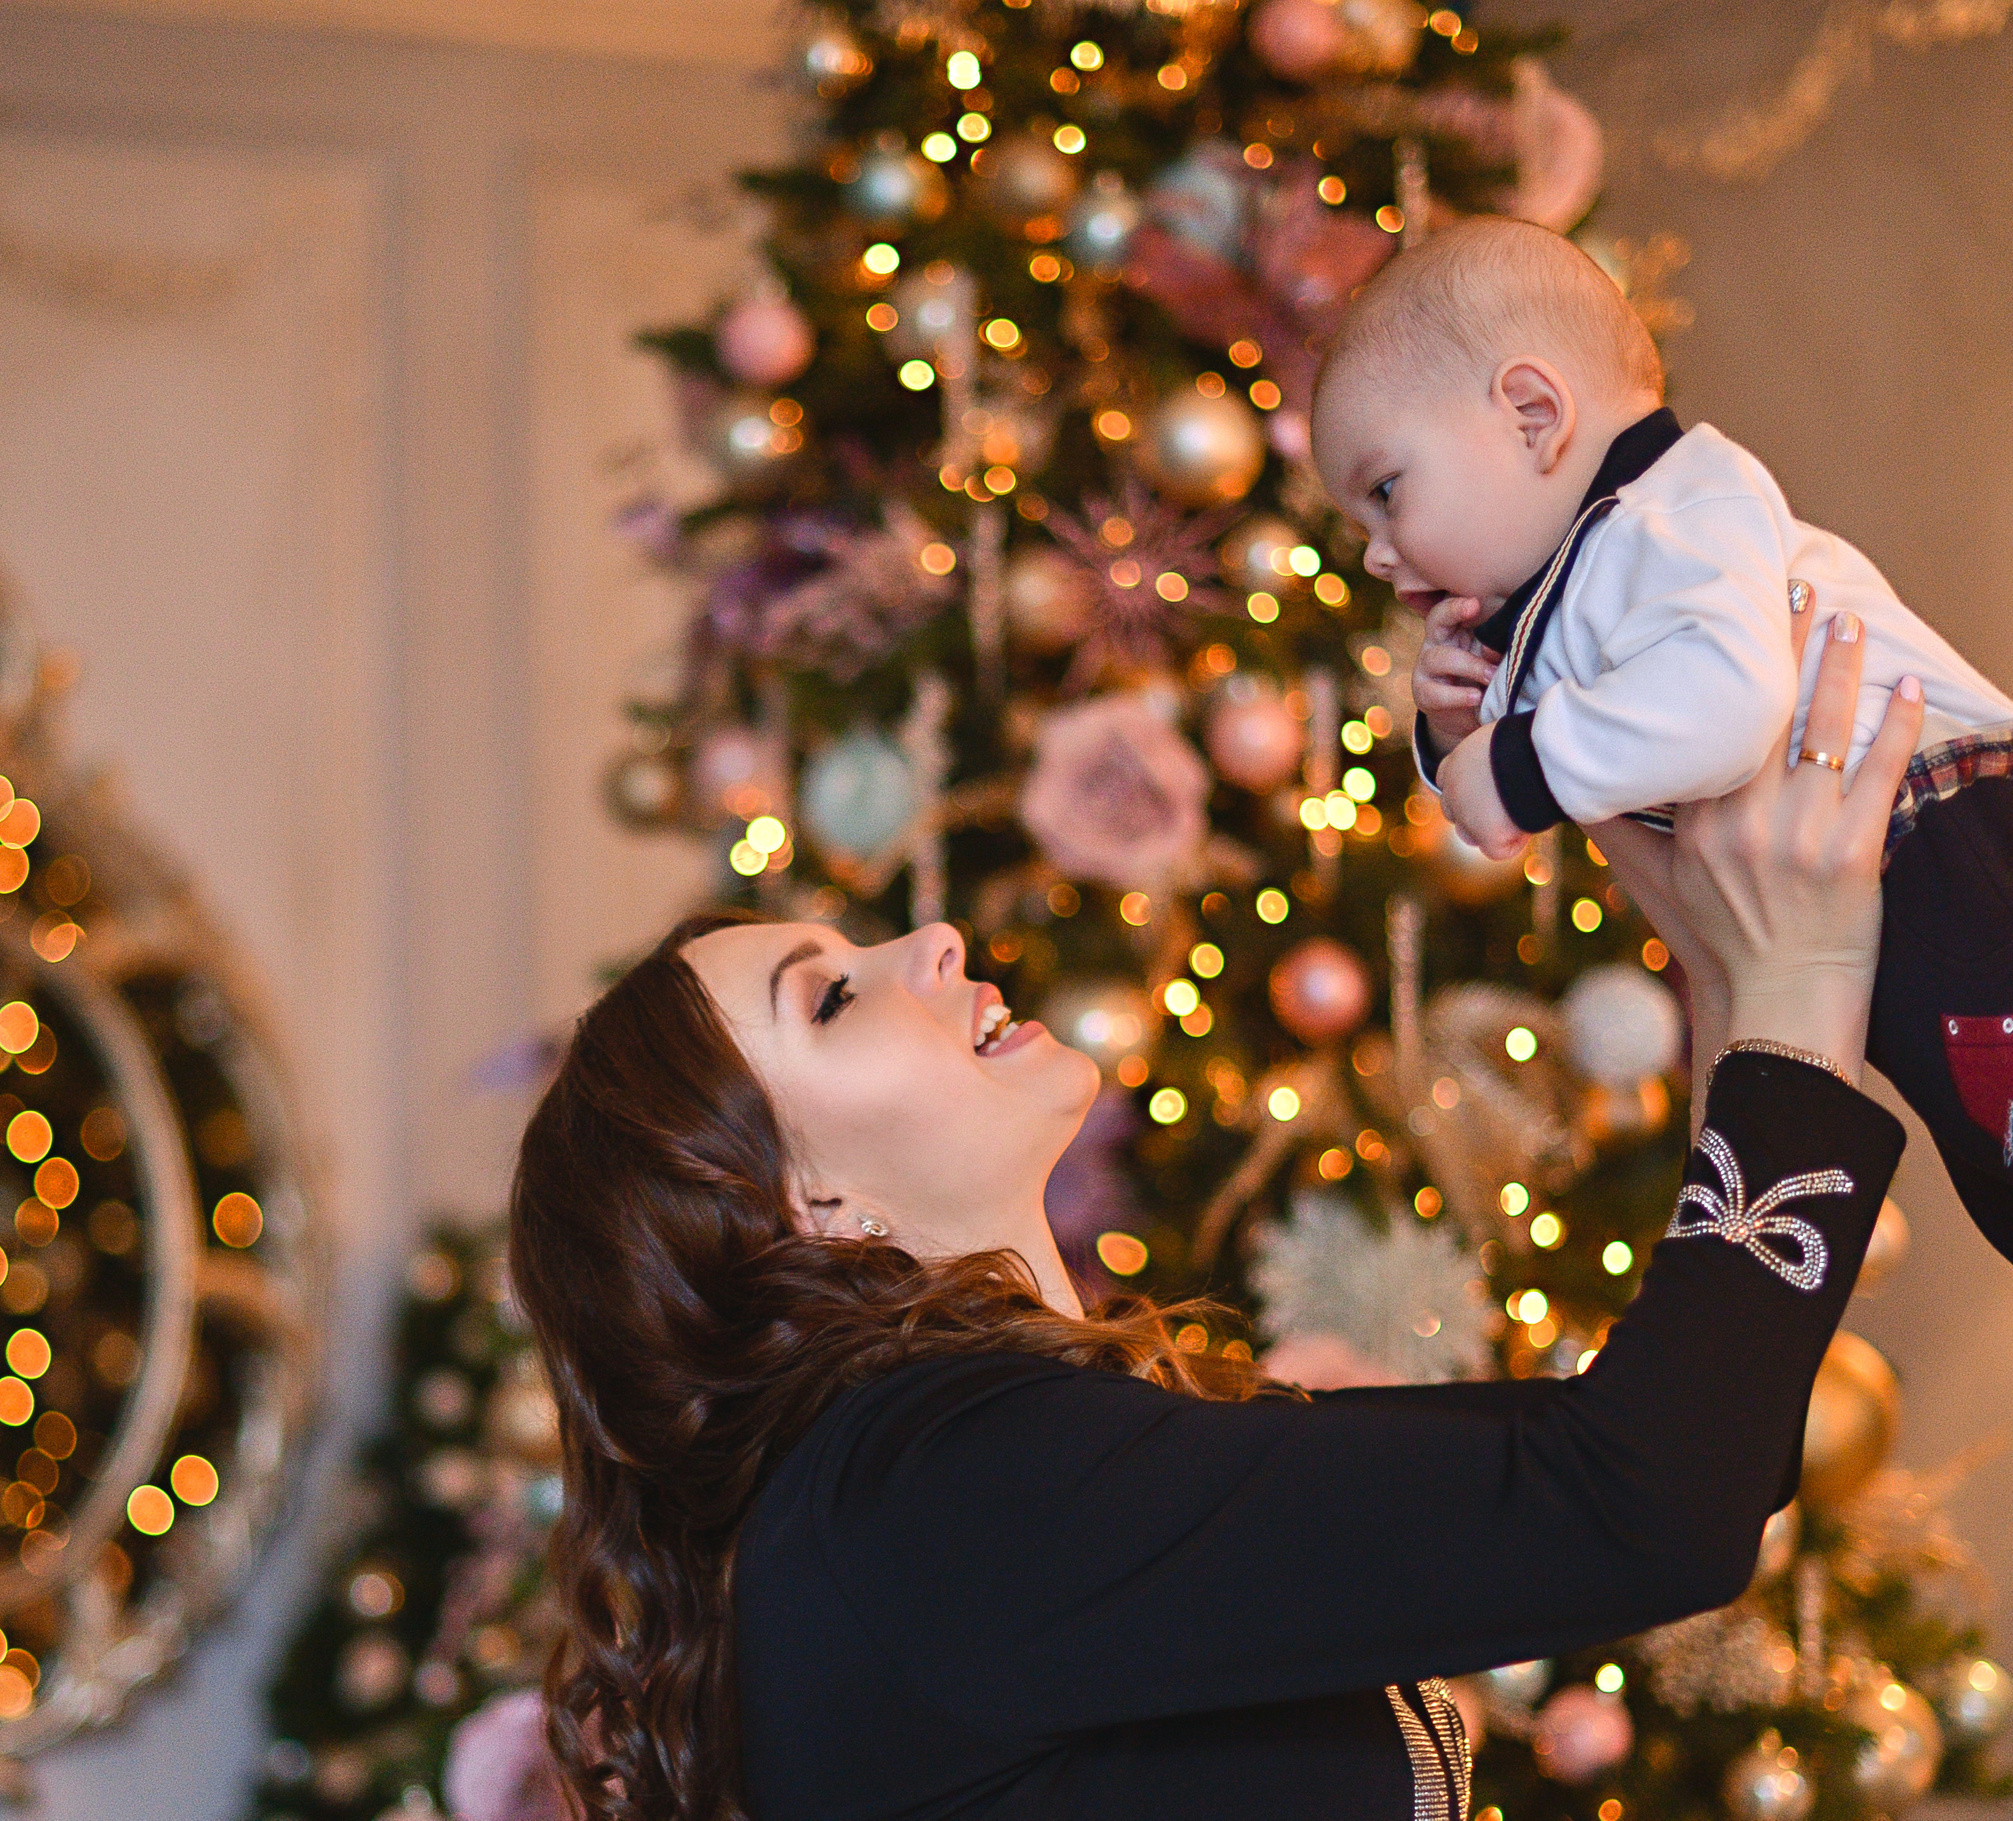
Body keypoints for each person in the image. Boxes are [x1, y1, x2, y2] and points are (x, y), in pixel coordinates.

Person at [506, 621, 1919, 1821]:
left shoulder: (920, 1487)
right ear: (807, 1204)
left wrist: (1742, 981)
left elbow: (1672, 1457)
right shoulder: (934, 1498)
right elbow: (1645, 1503)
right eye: (828, 999)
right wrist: (1793, 992)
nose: (928, 942)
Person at [1308, 214, 2013, 1537]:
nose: (1376, 551)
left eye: (1386, 491)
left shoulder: (1676, 509)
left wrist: (1515, 763)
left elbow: (1723, 701)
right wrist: (1453, 737)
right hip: (1878, 896)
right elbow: (1516, 793)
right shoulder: (1562, 596)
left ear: (1535, 414)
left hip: (1981, 842)